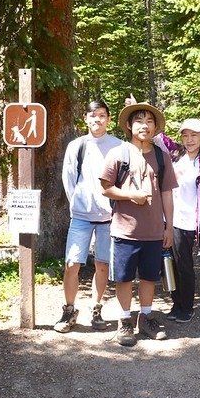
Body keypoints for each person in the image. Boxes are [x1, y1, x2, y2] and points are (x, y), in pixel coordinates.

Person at [100, 101, 178, 346]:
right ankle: (124, 321)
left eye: (149, 121)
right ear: (129, 125)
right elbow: (106, 188)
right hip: (124, 230)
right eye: (139, 121)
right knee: (123, 278)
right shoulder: (118, 153)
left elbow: (167, 193)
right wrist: (130, 195)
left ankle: (145, 318)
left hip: (154, 231)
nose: (144, 126)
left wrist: (169, 227)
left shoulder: (161, 156)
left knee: (148, 278)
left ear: (155, 127)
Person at [54, 100, 122, 333]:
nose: (97, 120)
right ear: (86, 118)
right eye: (93, 116)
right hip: (81, 217)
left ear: (109, 119)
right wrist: (78, 203)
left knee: (102, 265)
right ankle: (69, 310)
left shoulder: (118, 145)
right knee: (72, 264)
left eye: (102, 115)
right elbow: (68, 178)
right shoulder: (77, 145)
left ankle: (97, 308)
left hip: (109, 217)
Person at [154, 117, 200, 323]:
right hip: (166, 218)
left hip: (185, 221)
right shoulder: (176, 154)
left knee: (183, 264)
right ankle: (176, 304)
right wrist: (139, 106)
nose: (189, 139)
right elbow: (158, 136)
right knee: (167, 263)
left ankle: (186, 307)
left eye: (194, 135)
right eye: (185, 135)